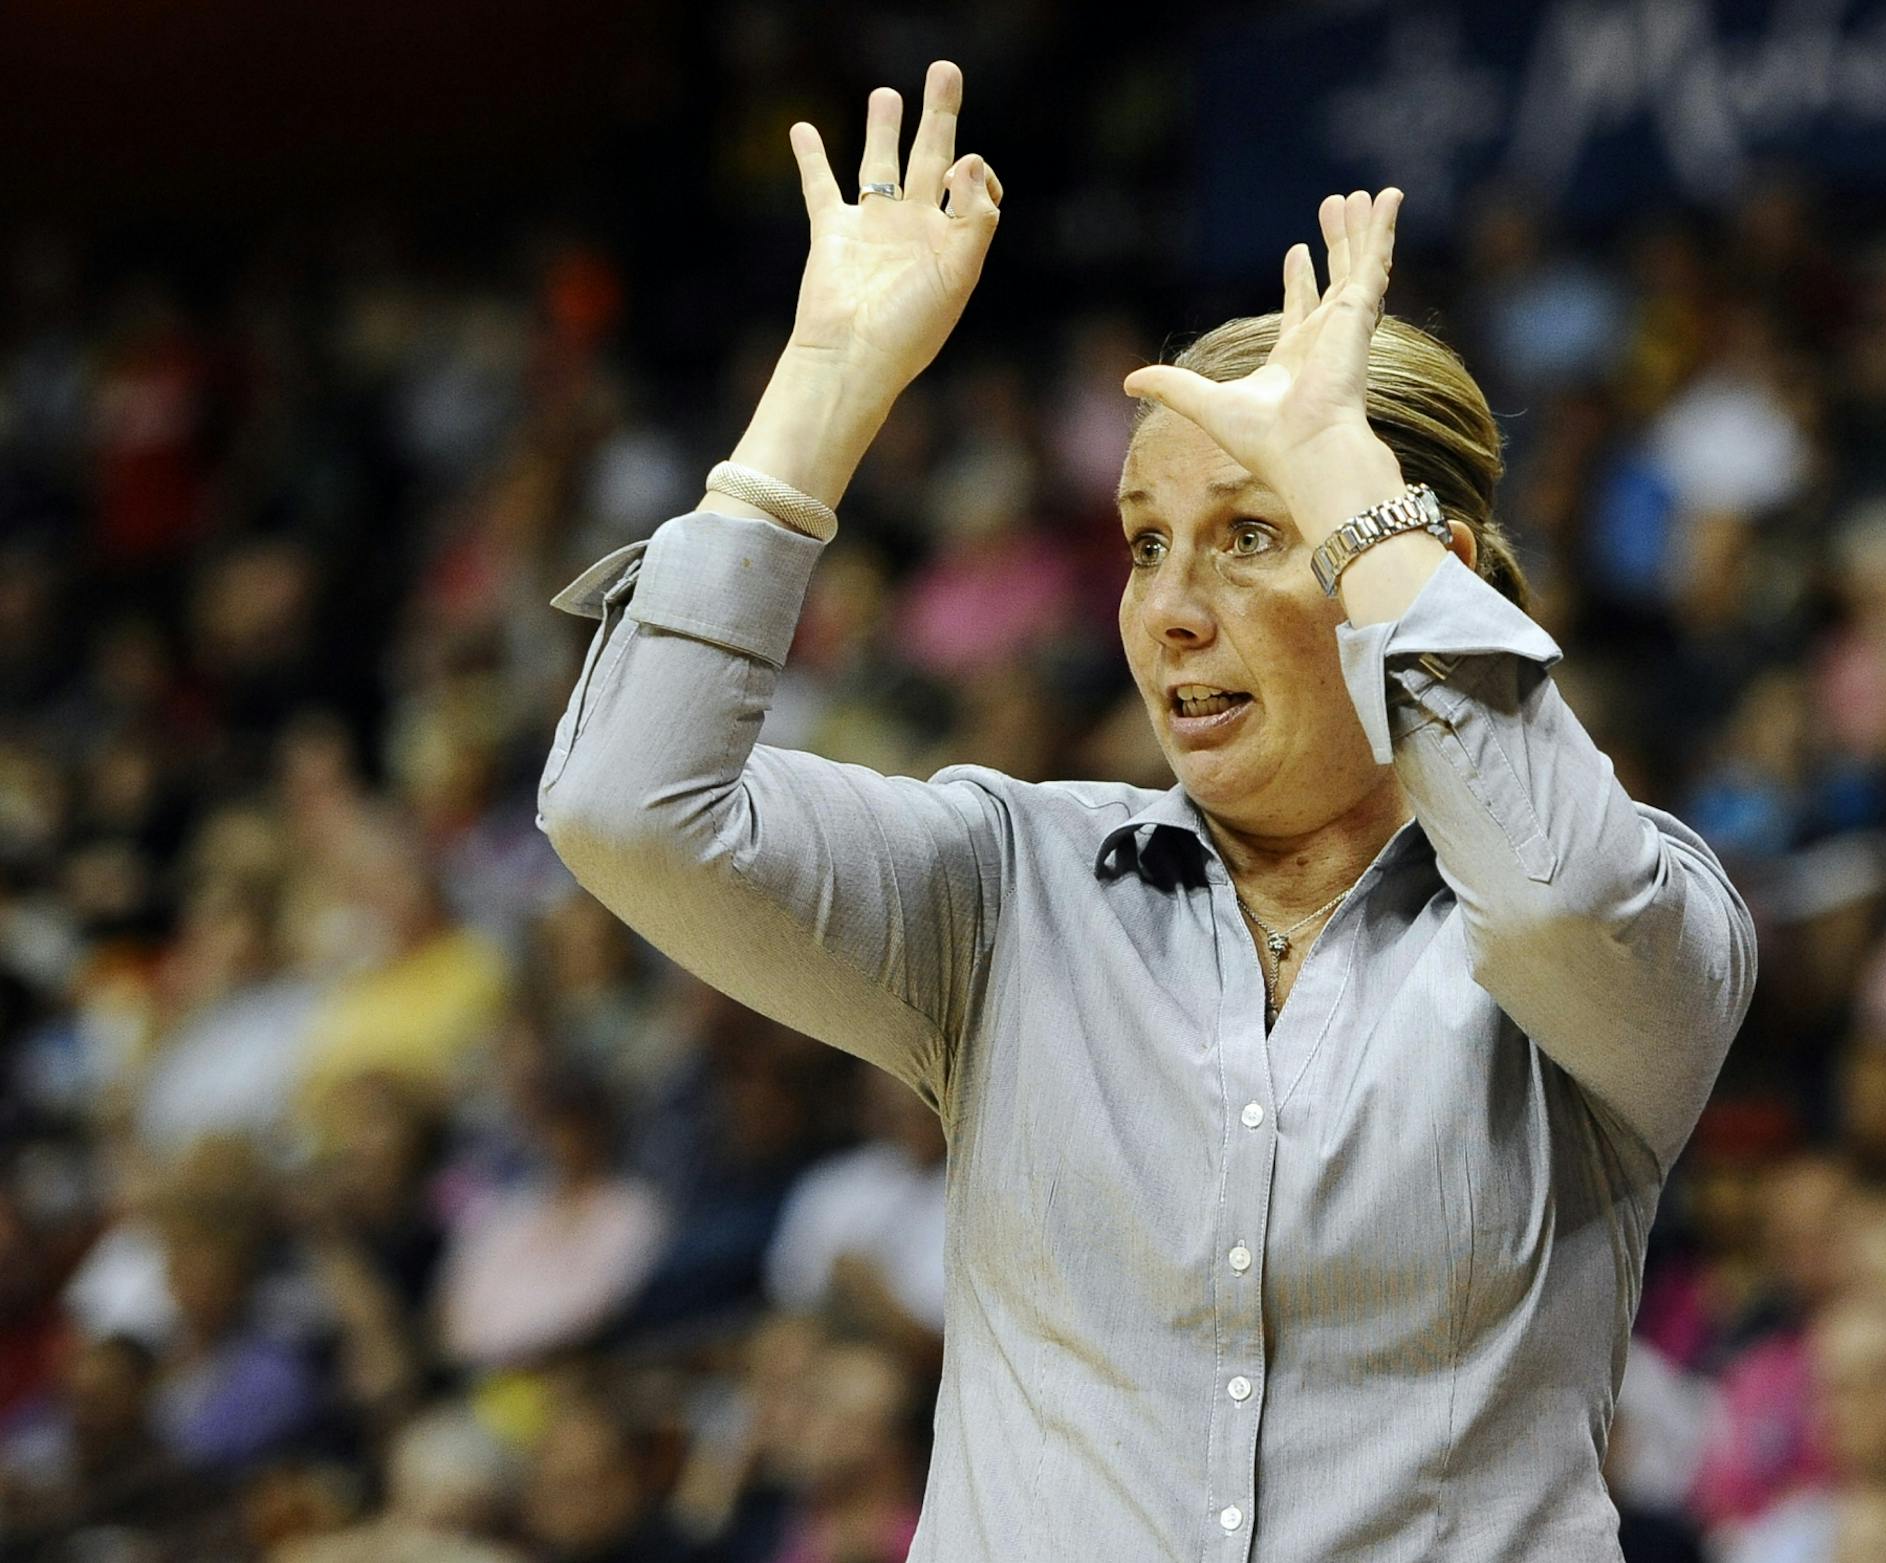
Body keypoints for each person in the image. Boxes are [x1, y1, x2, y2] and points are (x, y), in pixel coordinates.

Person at [536, 60, 1755, 1562]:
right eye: (1142, 544)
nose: (1171, 611)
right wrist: (825, 386)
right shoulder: (1005, 885)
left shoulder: (1634, 918)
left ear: (1405, 562)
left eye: (1250, 536)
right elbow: (627, 809)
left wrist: (1352, 496)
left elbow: (1562, 893)